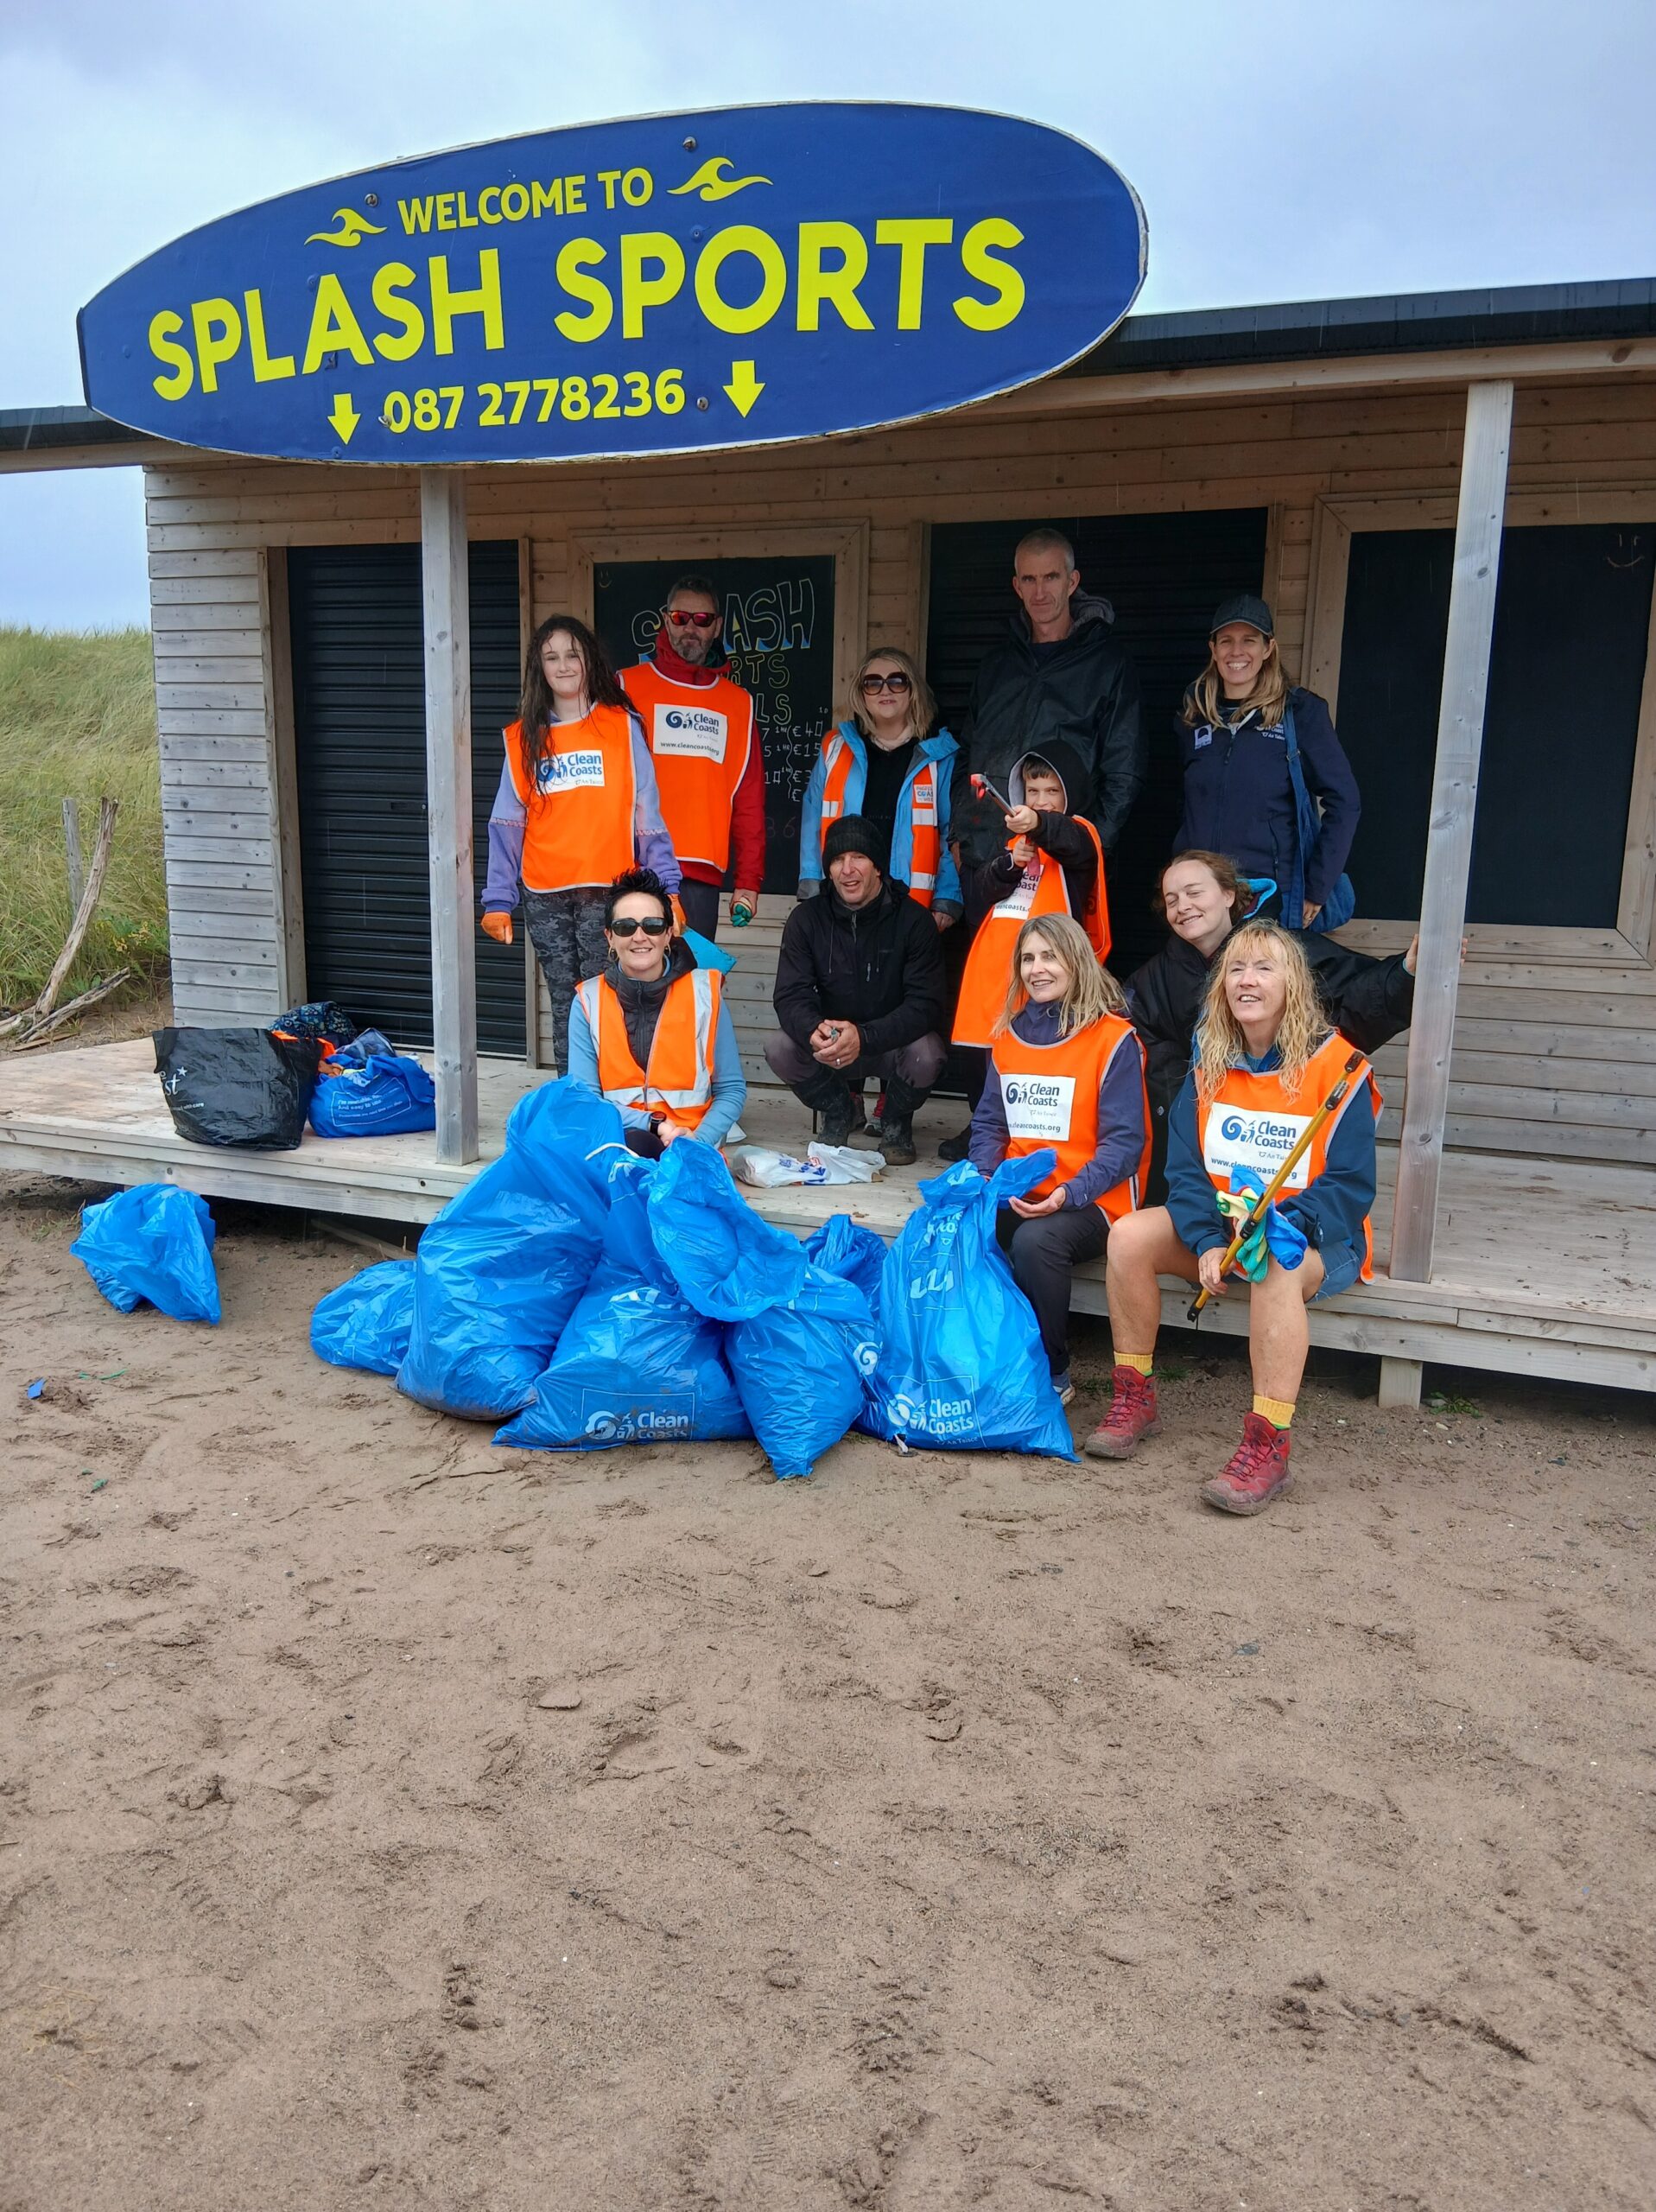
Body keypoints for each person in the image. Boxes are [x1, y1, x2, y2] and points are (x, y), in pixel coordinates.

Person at [1088, 924, 1380, 1515]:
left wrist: (1272, 1228)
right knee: (1128, 1235)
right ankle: (1134, 1397)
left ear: (1294, 984)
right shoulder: (1208, 1068)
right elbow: (1187, 1173)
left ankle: (1268, 1445)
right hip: (1223, 1234)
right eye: (1236, 969)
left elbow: (1350, 1186)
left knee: (1275, 1262)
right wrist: (1203, 1242)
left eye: (1264, 968)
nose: (1247, 980)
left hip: (1315, 1239)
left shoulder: (1341, 1067)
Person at [1129, 848, 1417, 1185]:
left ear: (1228, 894)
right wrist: (1187, 1100)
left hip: (1281, 1126)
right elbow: (1142, 1051)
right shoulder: (1153, 979)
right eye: (1172, 900)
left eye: (1194, 893)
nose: (1183, 906)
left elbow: (1355, 998)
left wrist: (1407, 972)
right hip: (1207, 1130)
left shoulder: (1287, 950)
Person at [481, 615, 681, 1075]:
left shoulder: (622, 726)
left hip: (607, 892)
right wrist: (498, 899)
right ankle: (574, 1092)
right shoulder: (522, 738)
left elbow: (648, 816)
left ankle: (611, 1091)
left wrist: (668, 888)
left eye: (572, 654)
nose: (564, 665)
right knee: (564, 999)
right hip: (544, 893)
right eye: (552, 657)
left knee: (605, 994)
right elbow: (506, 824)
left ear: (589, 659)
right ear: (540, 668)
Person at [968, 913, 1149, 1406]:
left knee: (1035, 1242)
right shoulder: (1007, 1036)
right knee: (958, 1225)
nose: (1037, 969)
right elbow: (990, 1125)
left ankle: (1051, 1372)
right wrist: (984, 1177)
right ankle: (977, 1361)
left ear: (1077, 961)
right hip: (1023, 1190)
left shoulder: (1113, 1039)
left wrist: (1068, 1193)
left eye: (1050, 956)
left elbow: (1124, 1145)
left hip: (1095, 1200)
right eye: (1028, 958)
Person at [941, 742, 1110, 1159]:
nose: (1041, 800)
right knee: (982, 1051)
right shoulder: (1014, 843)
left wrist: (1037, 823)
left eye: (1052, 792)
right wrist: (1010, 864)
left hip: (1043, 969)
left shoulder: (1079, 834)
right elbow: (982, 895)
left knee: (1035, 1048)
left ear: (1069, 795)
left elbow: (1067, 838)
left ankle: (1025, 1132)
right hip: (995, 967)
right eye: (1032, 792)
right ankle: (982, 1125)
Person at [953, 525, 1145, 872]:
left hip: (1061, 860)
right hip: (988, 859)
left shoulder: (1107, 664)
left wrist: (1093, 845)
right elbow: (967, 754)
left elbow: (1124, 769)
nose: (1039, 592)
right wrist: (959, 836)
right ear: (1017, 586)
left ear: (1072, 582)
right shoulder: (997, 665)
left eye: (1051, 577)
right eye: (1029, 579)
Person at [765, 815, 947, 1167]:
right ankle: (839, 1111)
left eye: (858, 857)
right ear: (828, 871)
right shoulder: (806, 919)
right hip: (831, 1045)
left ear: (877, 866)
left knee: (928, 1053)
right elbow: (790, 994)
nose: (847, 870)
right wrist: (813, 1030)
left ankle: (895, 1119)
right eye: (837, 860)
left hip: (891, 1044)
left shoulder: (914, 920)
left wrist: (864, 1037)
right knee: (779, 1047)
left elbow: (926, 1004)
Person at [1175, 594, 1360, 931]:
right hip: (1203, 896)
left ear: (1268, 648)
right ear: (1213, 649)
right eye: (1226, 641)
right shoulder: (1194, 716)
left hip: (1272, 897)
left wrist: (1317, 886)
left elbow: (1345, 801)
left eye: (1249, 640)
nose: (1236, 651)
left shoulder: (1300, 713)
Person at [620, 575, 765, 942]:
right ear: (666, 620)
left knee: (691, 978)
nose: (690, 628)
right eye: (681, 617)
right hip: (632, 868)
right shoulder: (624, 687)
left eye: (702, 620)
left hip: (700, 876)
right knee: (628, 978)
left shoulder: (738, 703)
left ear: (717, 626)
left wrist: (748, 881)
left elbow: (749, 801)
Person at [568, 868, 746, 1155]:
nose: (639, 936)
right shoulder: (587, 1000)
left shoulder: (706, 992)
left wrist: (698, 1141)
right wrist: (653, 1124)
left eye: (652, 925)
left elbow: (732, 1090)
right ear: (610, 937)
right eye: (625, 927)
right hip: (616, 1146)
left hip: (692, 1148)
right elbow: (584, 1101)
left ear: (669, 932)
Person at [798, 646, 961, 925]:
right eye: (873, 683)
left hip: (913, 910)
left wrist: (947, 899)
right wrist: (811, 887)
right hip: (841, 903)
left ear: (912, 689)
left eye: (897, 681)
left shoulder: (941, 755)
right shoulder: (834, 748)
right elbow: (812, 821)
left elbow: (952, 833)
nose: (885, 690)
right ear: (861, 693)